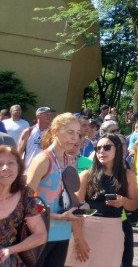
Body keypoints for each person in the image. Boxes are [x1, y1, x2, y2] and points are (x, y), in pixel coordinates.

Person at [72, 134, 138, 267]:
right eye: (98, 148)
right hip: (87, 229)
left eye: (107, 147)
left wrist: (123, 201)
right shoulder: (86, 175)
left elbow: (134, 205)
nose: (101, 151)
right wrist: (78, 239)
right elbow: (75, 210)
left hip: (113, 230)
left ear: (117, 149)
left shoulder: (128, 175)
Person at [25, 112, 82, 266]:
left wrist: (80, 207)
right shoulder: (43, 160)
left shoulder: (68, 160)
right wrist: (57, 216)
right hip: (40, 235)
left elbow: (67, 194)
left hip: (62, 233)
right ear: (55, 131)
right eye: (70, 132)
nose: (75, 138)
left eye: (77, 133)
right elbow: (26, 200)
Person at [0, 146, 47, 264]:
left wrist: (9, 250)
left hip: (8, 260)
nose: (5, 168)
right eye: (0, 164)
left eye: (11, 163)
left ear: (19, 168)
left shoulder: (25, 195)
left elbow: (40, 234)